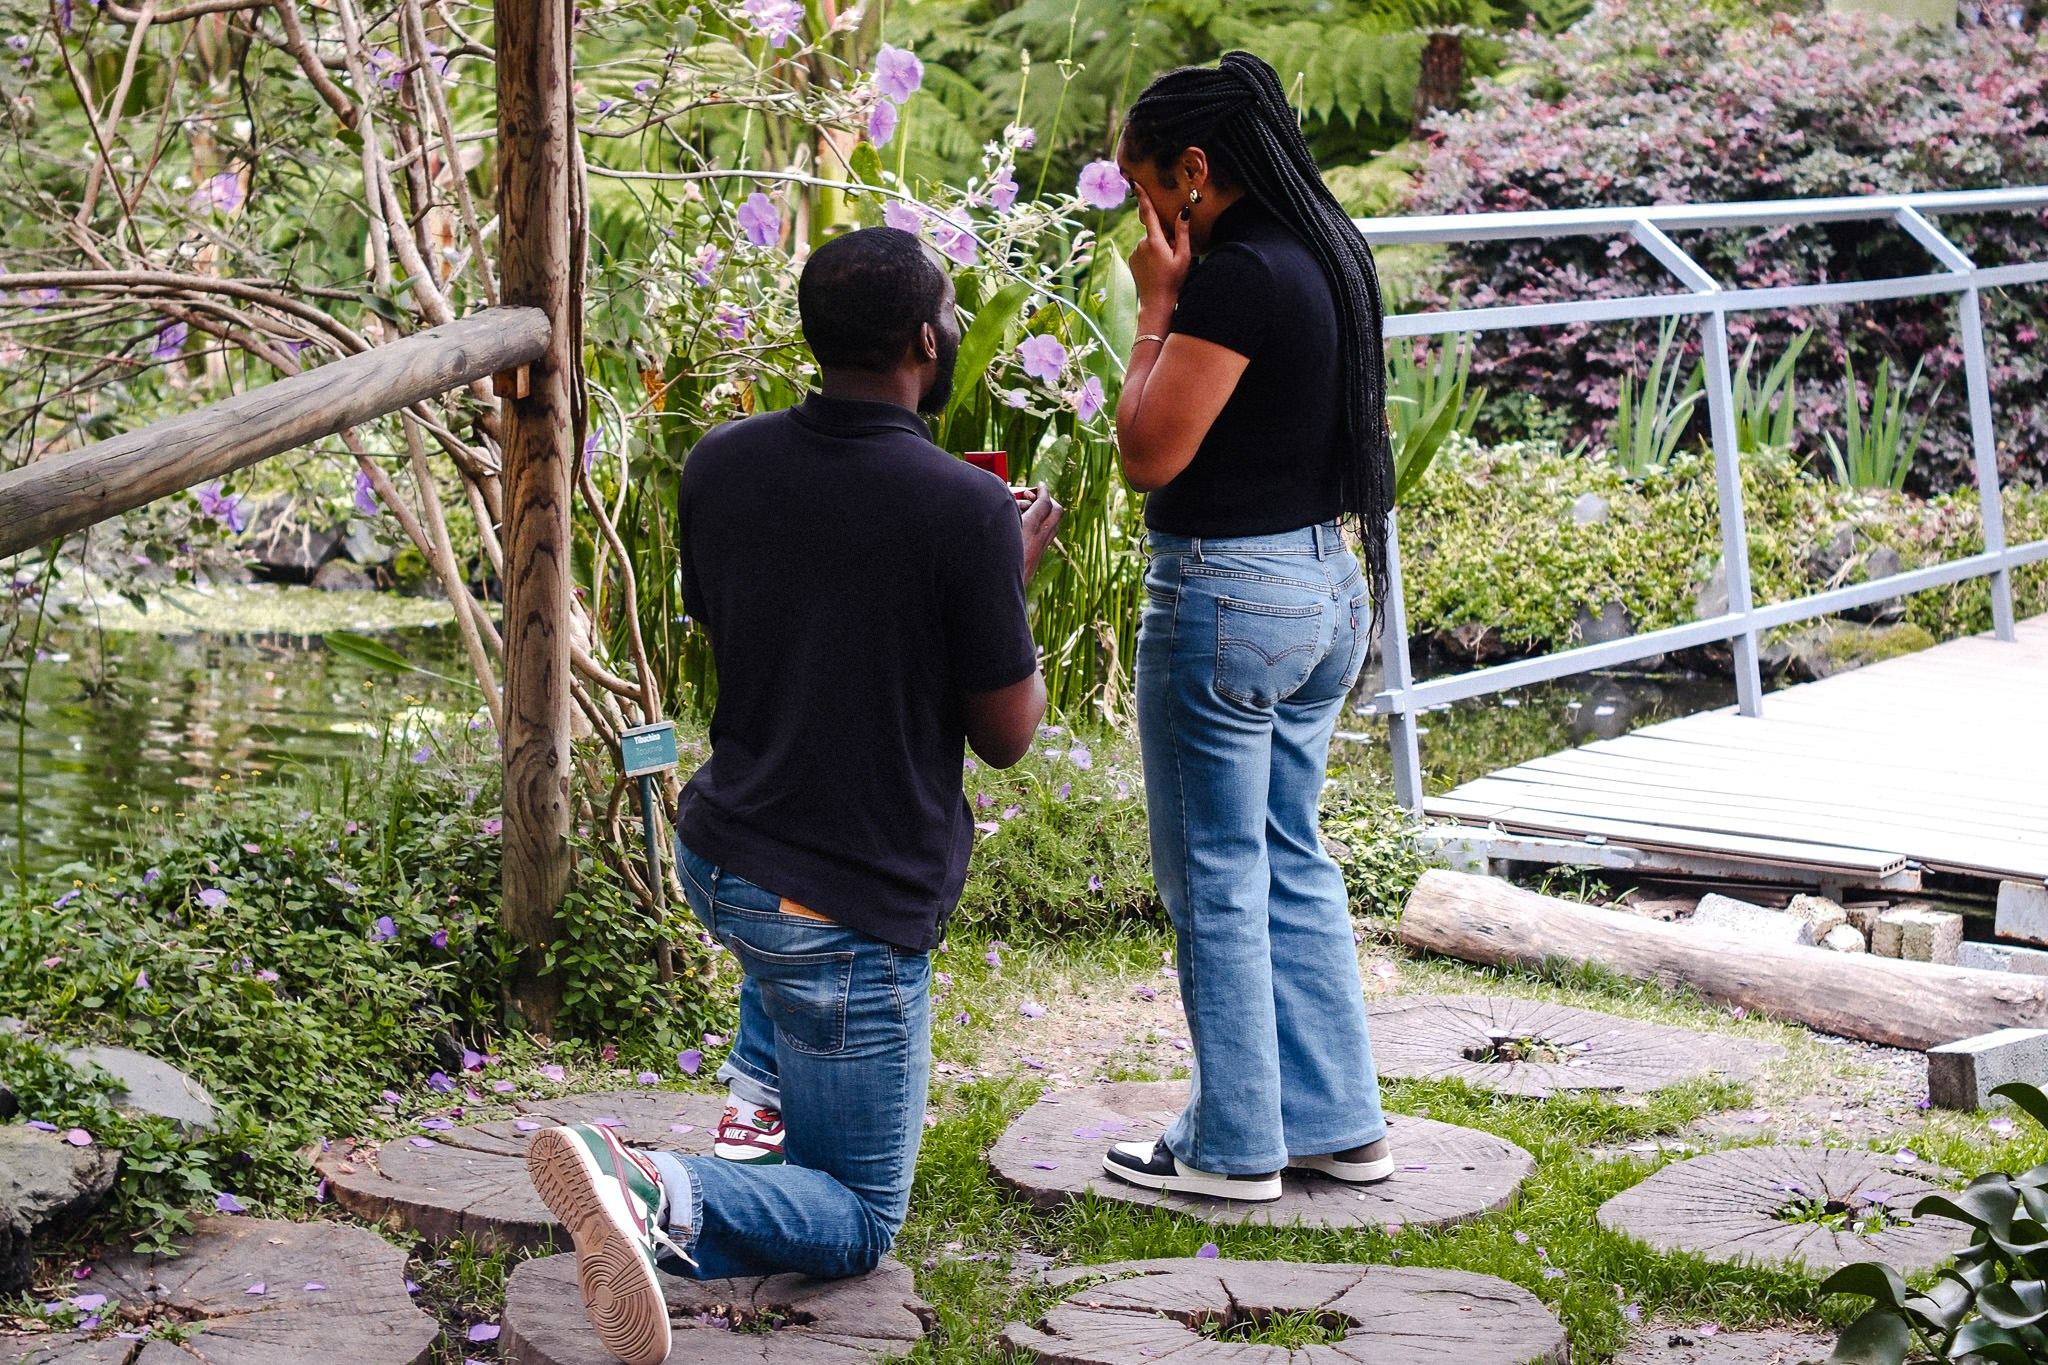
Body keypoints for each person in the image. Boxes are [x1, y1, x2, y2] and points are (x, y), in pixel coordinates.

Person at [527, 225, 1062, 1365]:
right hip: (841, 905)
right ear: (926, 340)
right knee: (861, 1219)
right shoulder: (962, 510)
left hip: (726, 853)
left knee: (786, 981)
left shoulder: (721, 461)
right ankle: (651, 1187)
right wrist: (1000, 585)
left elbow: (773, 629)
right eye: (951, 313)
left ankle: (743, 1136)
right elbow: (1006, 734)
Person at [1100, 51, 1397, 1203]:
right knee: (1287, 857)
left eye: (1145, 190)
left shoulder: (1232, 281)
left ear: (1192, 169)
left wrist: (1156, 307)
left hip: (1229, 595)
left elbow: (1145, 453)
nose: (1145, 215)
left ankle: (1232, 1149)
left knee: (1216, 875)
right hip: (1322, 587)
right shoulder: (1327, 255)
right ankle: (1336, 1124)